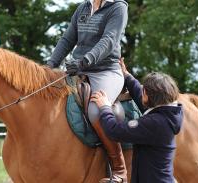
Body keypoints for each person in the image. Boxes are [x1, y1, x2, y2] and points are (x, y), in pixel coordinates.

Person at [47, 0, 129, 182]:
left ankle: (119, 169)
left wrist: (84, 61)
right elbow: (68, 39)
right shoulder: (83, 8)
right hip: (78, 68)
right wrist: (49, 67)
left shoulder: (118, 7)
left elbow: (109, 40)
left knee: (96, 110)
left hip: (106, 71)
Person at [90, 62, 183, 183]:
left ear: (148, 95)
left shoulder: (153, 123)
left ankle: (119, 170)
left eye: (144, 89)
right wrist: (127, 76)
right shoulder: (166, 115)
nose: (142, 90)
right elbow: (141, 96)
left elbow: (114, 131)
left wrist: (105, 107)